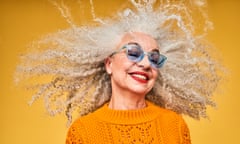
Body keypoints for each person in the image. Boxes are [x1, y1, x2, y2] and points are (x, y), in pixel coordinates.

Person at [15, 0, 224, 144]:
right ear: (109, 64)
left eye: (154, 57)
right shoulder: (84, 132)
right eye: (133, 52)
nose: (145, 64)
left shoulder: (174, 126)